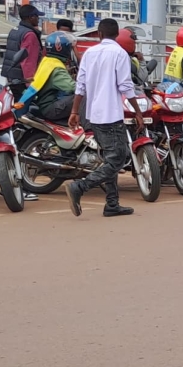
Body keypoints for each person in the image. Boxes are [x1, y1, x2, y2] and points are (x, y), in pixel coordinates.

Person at [66, 18, 144, 218]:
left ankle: (112, 203)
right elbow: (126, 86)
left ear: (99, 34)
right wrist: (137, 111)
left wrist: (75, 112)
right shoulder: (119, 53)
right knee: (120, 157)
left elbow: (80, 85)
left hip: (92, 113)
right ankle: (81, 187)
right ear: (117, 34)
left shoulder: (89, 53)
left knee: (110, 157)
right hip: (110, 113)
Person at [19, 31, 77, 122]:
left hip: (43, 104)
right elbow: (72, 87)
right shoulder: (57, 68)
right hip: (50, 109)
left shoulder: (48, 61)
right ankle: (89, 128)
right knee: (82, 96)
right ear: (62, 48)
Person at [1, 4, 43, 91]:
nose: (38, 19)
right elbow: (29, 61)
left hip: (11, 75)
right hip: (22, 79)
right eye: (37, 16)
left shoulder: (15, 30)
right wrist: (30, 84)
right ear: (31, 17)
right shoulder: (30, 35)